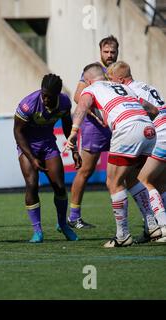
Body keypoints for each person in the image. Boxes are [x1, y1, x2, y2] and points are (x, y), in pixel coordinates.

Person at [66, 63, 162, 247]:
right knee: (134, 179)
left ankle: (123, 235)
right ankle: (152, 226)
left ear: (87, 80)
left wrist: (73, 131)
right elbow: (153, 110)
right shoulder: (125, 88)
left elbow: (81, 107)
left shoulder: (92, 88)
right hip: (148, 130)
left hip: (128, 128)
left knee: (113, 182)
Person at [14, 74, 81, 243]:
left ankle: (63, 225)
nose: (44, 98)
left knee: (59, 186)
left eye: (48, 96)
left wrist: (74, 150)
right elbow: (18, 132)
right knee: (32, 184)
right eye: (43, 94)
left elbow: (67, 126)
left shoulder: (65, 103)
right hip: (28, 146)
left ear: (57, 94)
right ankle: (37, 231)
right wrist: (31, 157)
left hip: (48, 144)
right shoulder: (28, 105)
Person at [108, 61, 166, 239]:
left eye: (111, 81)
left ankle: (162, 226)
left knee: (142, 180)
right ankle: (155, 228)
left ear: (120, 79)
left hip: (161, 132)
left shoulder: (130, 92)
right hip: (164, 127)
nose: (110, 85)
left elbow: (149, 113)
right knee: (161, 183)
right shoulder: (145, 86)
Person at [68, 35, 119, 229]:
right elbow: (78, 96)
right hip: (94, 128)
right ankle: (74, 217)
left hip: (115, 126)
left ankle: (147, 213)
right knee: (86, 171)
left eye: (112, 51)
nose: (109, 55)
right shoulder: (94, 71)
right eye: (106, 52)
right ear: (100, 52)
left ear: (117, 52)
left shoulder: (119, 70)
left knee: (130, 169)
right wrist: (97, 115)